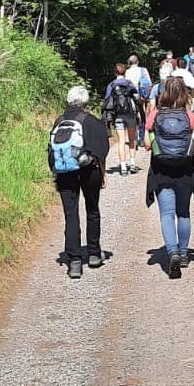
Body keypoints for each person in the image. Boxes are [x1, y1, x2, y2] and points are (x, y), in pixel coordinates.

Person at [145, 76, 194, 278]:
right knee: (184, 213)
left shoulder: (155, 115)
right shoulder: (189, 116)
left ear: (163, 93)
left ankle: (172, 253)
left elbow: (146, 145)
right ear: (184, 93)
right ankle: (184, 252)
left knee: (167, 214)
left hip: (161, 170)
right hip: (185, 170)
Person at [48, 85, 110, 279]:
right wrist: (102, 173)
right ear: (85, 102)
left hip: (64, 172)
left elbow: (51, 152)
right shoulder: (91, 121)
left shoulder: (58, 122)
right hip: (89, 170)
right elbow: (102, 150)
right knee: (92, 209)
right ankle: (93, 254)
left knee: (70, 214)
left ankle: (74, 261)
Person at [103, 63, 142, 175]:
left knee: (121, 141)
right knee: (131, 140)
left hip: (118, 116)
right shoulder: (129, 84)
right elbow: (136, 98)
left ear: (115, 73)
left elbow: (107, 100)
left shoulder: (111, 85)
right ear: (125, 72)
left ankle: (123, 166)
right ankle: (133, 163)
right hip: (130, 115)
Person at [125, 53, 153, 143]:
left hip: (131, 96)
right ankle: (141, 138)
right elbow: (149, 83)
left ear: (129, 62)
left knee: (133, 116)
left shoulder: (127, 72)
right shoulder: (143, 70)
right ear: (138, 62)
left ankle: (135, 138)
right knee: (142, 115)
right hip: (141, 96)